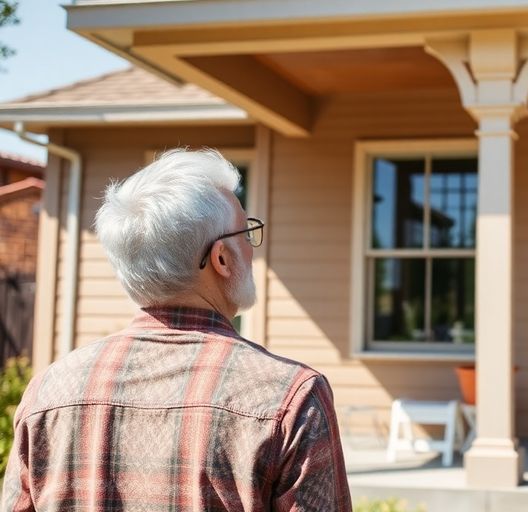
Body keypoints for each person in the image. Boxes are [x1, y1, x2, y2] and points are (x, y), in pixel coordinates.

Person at [2, 149, 353, 511]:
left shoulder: (49, 392)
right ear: (221, 259)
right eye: (246, 232)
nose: (252, 249)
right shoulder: (289, 398)